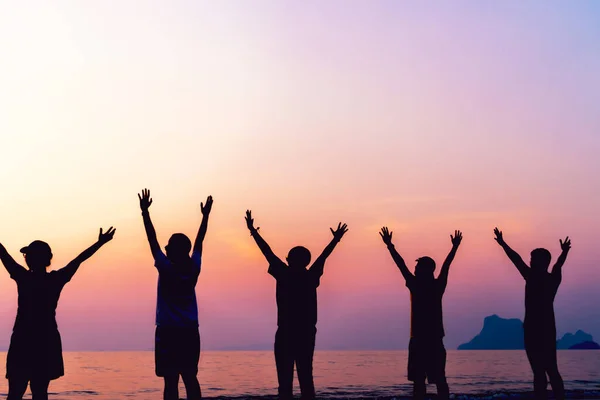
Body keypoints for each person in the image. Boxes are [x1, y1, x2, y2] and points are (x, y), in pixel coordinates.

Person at [0, 227, 116, 400]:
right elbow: (78, 260)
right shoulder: (55, 279)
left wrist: (99, 243)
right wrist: (99, 243)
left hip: (24, 340)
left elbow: (3, 253)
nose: (25, 258)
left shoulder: (24, 277)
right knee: (40, 392)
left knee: (16, 392)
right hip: (45, 340)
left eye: (28, 255)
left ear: (32, 259)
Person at [245, 210, 347, 400]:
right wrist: (335, 240)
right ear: (306, 261)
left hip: (286, 332)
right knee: (305, 377)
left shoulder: (284, 273)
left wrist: (253, 231)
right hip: (306, 332)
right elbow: (324, 256)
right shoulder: (310, 275)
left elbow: (267, 251)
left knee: (285, 381)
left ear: (288, 259)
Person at [139, 189, 212, 400]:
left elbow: (151, 239)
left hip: (168, 331)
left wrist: (145, 213)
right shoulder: (193, 267)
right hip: (189, 331)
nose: (164, 247)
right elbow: (199, 242)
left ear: (173, 250)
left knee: (170, 380)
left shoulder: (166, 267)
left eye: (168, 246)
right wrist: (205, 216)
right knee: (190, 377)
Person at [379, 227, 462, 400]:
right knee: (436, 379)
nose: (414, 269)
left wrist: (390, 246)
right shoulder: (435, 286)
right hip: (430, 340)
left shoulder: (418, 285)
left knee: (422, 380)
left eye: (417, 267)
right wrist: (454, 248)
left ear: (425, 269)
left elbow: (401, 264)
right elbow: (445, 267)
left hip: (422, 340)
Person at [494, 227, 570, 400]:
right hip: (534, 329)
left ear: (543, 262)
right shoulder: (540, 276)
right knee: (541, 370)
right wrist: (502, 243)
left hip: (543, 329)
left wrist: (564, 253)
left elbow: (518, 260)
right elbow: (517, 259)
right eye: (531, 259)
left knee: (549, 369)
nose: (530, 261)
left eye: (533, 259)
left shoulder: (541, 277)